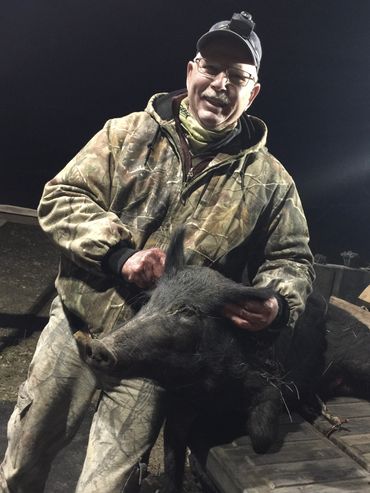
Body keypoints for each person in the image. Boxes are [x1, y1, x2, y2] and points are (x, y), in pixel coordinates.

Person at [0, 11, 315, 493]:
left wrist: (276, 302)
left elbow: (292, 260)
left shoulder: (271, 181)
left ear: (253, 93)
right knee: (22, 464)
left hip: (163, 355)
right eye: (211, 67)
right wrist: (119, 255)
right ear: (190, 71)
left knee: (108, 483)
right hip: (79, 326)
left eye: (238, 76)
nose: (220, 83)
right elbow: (60, 198)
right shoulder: (125, 134)